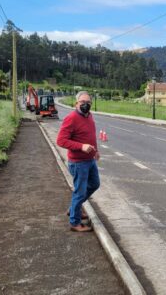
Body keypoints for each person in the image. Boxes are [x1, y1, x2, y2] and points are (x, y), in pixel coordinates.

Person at [57, 91, 100, 232]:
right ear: (76, 103)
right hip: (78, 163)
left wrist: (96, 151)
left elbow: (91, 136)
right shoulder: (71, 118)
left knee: (94, 184)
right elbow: (61, 140)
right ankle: (75, 222)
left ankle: (73, 208)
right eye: (82, 102)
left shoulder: (90, 116)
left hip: (90, 160)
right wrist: (81, 146)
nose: (85, 105)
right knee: (80, 192)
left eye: (88, 103)